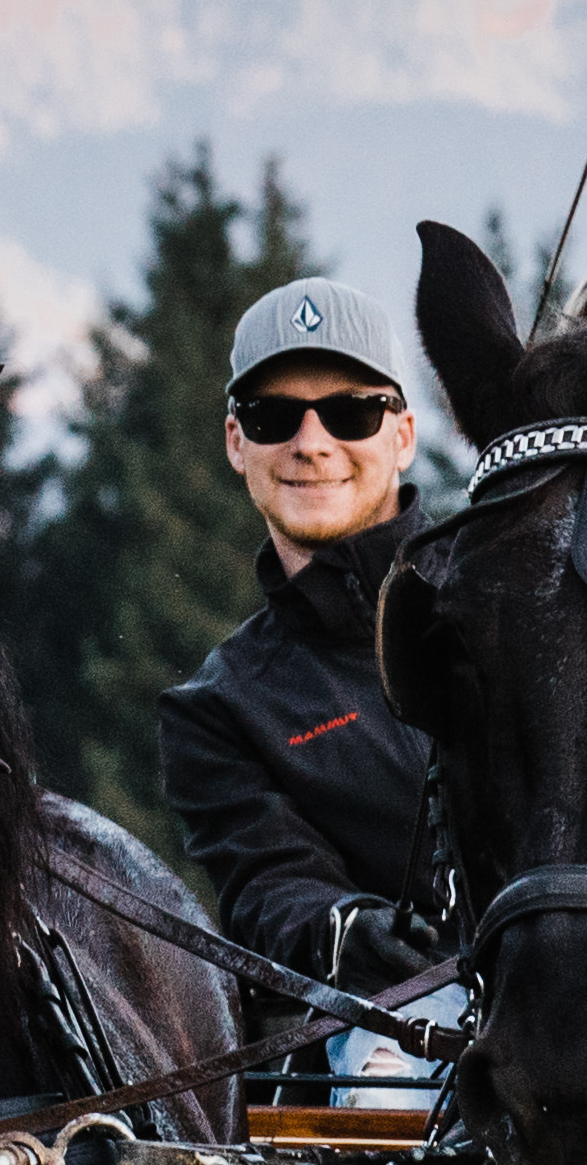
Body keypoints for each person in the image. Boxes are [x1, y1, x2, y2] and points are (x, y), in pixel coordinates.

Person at [155, 274, 444, 1007]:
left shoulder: (521, 605)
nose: (311, 444)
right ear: (235, 442)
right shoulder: (216, 708)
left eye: (351, 413)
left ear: (403, 436)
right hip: (389, 1038)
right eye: (273, 415)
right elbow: (270, 885)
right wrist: (346, 932)